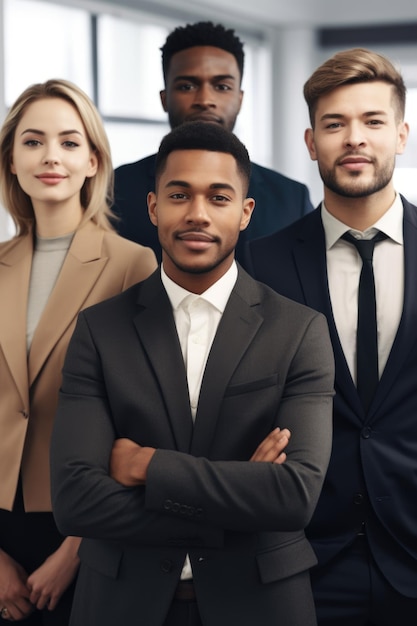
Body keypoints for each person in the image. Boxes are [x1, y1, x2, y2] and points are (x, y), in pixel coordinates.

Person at [50, 121, 334, 626]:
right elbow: (75, 502)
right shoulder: (99, 330)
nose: (197, 214)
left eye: (218, 198)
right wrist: (242, 497)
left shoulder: (300, 331)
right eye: (179, 195)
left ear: (245, 213)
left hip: (261, 606)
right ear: (154, 207)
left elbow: (293, 497)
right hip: (120, 605)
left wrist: (146, 467)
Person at [246, 47, 417, 625]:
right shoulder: (261, 263)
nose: (354, 139)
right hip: (307, 557)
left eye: (372, 122)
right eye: (334, 124)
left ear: (401, 134)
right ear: (310, 141)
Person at [0, 79, 157, 625]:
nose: (50, 157)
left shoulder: (133, 265)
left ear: (93, 160)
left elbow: (145, 421)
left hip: (86, 519)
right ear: (13, 159)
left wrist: (76, 549)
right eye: (33, 141)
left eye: (69, 143)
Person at [113, 20, 313, 265]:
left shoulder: (291, 200)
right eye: (187, 86)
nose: (205, 99)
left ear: (239, 99)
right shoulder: (113, 192)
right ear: (165, 98)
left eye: (221, 86)